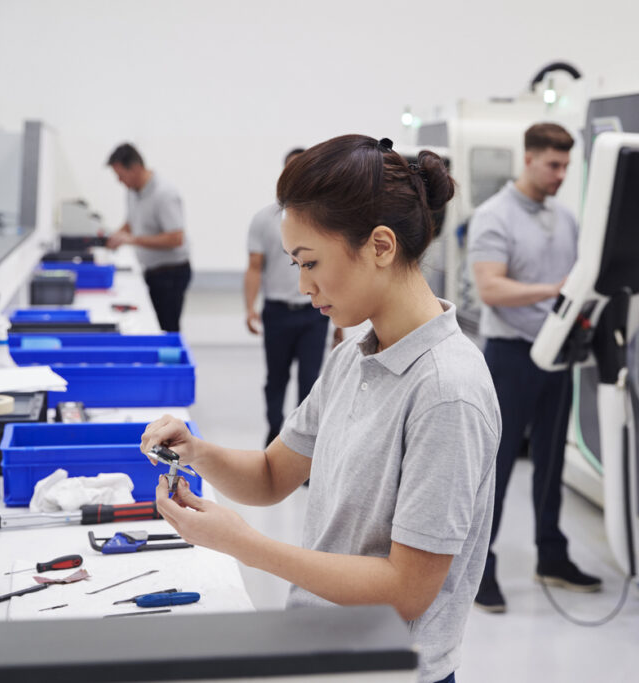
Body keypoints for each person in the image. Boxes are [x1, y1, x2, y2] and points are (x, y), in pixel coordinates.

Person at [141, 135, 500, 683]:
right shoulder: (353, 358)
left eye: (310, 263)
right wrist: (195, 451)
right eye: (295, 264)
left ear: (381, 246)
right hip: (323, 651)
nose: (303, 286)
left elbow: (406, 591)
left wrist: (247, 546)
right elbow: (271, 475)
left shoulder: (447, 391)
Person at [467, 122, 601, 614]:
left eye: (566, 166)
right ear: (528, 159)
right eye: (553, 165)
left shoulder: (564, 219)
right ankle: (479, 567)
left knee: (550, 463)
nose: (561, 174)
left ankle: (552, 556)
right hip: (511, 357)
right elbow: (490, 288)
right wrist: (554, 291)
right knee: (497, 466)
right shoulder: (494, 216)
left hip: (557, 354)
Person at [245, 147, 332, 444]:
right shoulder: (264, 219)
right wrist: (249, 308)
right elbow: (254, 267)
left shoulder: (324, 220)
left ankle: (302, 444)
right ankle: (274, 435)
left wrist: (339, 323)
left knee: (310, 381)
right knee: (276, 379)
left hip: (314, 313)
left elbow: (335, 272)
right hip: (278, 312)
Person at [105, 143, 191, 332]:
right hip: (152, 271)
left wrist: (133, 240)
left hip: (171, 273)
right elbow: (131, 222)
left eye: (121, 175)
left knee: (167, 327)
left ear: (135, 168)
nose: (119, 181)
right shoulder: (133, 192)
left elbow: (176, 238)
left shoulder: (164, 194)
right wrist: (112, 238)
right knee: (155, 325)